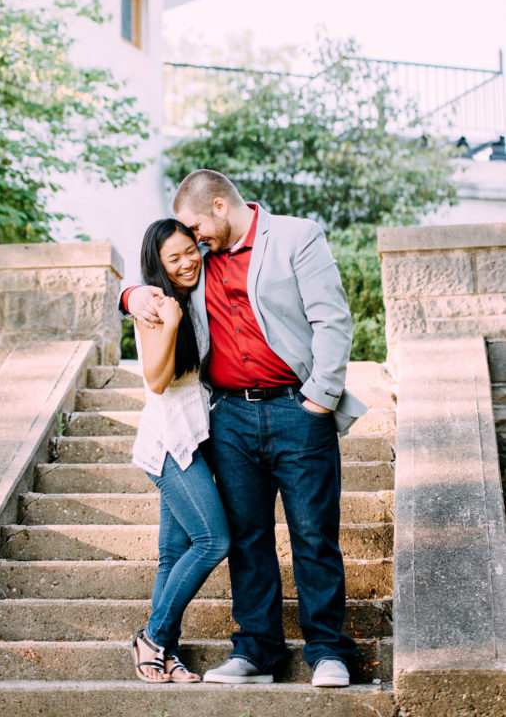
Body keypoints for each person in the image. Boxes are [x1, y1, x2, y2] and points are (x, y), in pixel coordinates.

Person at [123, 170, 367, 688]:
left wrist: (319, 401)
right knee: (248, 540)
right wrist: (129, 295)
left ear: (218, 206)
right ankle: (256, 650)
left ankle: (328, 651)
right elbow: (159, 273)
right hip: (228, 416)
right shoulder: (202, 258)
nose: (192, 242)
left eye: (194, 228)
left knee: (314, 535)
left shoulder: (297, 237)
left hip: (296, 410)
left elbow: (332, 320)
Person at [129, 217, 231, 684]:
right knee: (213, 540)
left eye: (191, 250)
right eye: (175, 258)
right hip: (171, 442)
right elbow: (156, 380)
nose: (188, 261)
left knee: (172, 554)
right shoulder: (155, 308)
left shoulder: (196, 292)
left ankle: (166, 654)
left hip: (194, 433)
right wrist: (166, 321)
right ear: (159, 265)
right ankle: (152, 637)